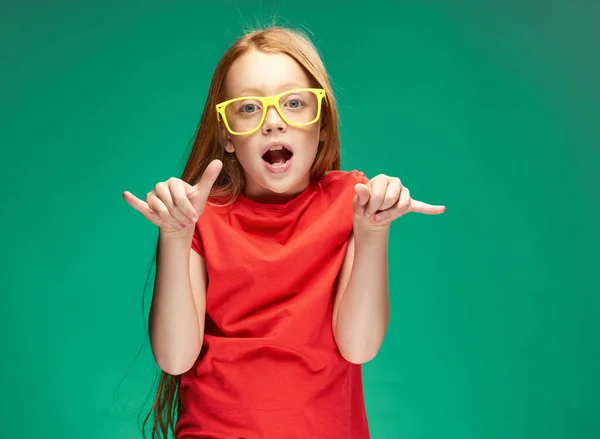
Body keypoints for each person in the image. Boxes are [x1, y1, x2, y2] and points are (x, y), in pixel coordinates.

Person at [123, 25, 445, 439]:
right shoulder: (202, 216)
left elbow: (359, 346)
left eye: (294, 103)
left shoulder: (353, 202)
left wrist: (372, 230)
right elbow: (174, 357)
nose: (273, 122)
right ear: (226, 135)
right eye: (249, 107)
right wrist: (175, 235)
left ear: (322, 125)